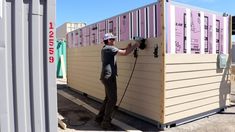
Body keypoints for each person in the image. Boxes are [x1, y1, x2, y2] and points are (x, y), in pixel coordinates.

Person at [95, 33, 140, 129]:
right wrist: (137, 44)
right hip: (109, 77)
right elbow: (124, 53)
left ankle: (99, 118)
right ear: (108, 40)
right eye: (112, 39)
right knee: (113, 100)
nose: (114, 41)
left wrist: (128, 47)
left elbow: (122, 50)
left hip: (106, 77)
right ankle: (105, 123)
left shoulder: (106, 48)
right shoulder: (109, 48)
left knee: (108, 98)